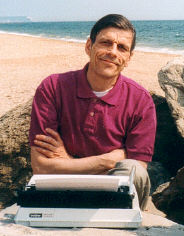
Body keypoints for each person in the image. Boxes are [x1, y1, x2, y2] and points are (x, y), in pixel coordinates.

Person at [29, 14, 156, 210]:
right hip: (60, 193)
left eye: (121, 47)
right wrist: (107, 160)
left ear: (128, 58)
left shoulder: (141, 101)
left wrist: (68, 163)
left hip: (115, 200)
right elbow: (41, 167)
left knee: (133, 170)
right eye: (106, 43)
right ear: (89, 46)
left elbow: (136, 173)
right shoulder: (53, 88)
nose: (113, 52)